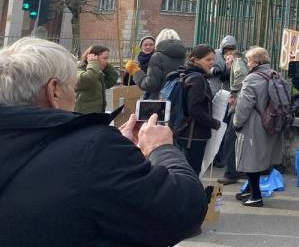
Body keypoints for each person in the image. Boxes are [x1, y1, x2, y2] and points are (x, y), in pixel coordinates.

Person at [0, 37, 207, 246]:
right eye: (73, 87)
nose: (74, 95)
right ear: (54, 90)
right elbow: (185, 210)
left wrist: (117, 151)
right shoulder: (94, 151)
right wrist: (161, 149)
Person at [232, 47, 285, 207]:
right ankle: (249, 190)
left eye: (249, 61)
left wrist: (237, 123)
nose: (247, 64)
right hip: (272, 123)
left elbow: (244, 105)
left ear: (256, 62)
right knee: (261, 159)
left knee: (250, 160)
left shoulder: (252, 79)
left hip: (254, 124)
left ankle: (255, 196)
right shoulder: (276, 75)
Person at [174, 44, 222, 174]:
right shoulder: (197, 79)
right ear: (195, 60)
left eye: (213, 59)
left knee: (184, 172)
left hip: (183, 131)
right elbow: (194, 109)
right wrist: (214, 123)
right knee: (192, 173)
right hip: (193, 135)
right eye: (208, 59)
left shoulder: (187, 74)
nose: (212, 63)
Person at [217, 43, 249, 184]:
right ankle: (239, 170)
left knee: (230, 139)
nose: (227, 63)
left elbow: (241, 76)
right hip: (245, 108)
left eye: (227, 60)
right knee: (238, 140)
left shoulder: (237, 61)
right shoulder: (244, 62)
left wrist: (234, 92)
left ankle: (231, 174)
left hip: (238, 108)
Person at [126, 28, 186, 99]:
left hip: (160, 100)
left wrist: (136, 72)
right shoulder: (184, 57)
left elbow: (151, 85)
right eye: (145, 45)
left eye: (151, 44)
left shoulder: (157, 57)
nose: (148, 47)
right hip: (178, 99)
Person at [74, 45, 119, 114]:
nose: (107, 61)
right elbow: (88, 79)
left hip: (96, 114)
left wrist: (106, 66)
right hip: (83, 115)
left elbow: (112, 79)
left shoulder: (95, 71)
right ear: (94, 58)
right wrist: (93, 62)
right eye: (105, 58)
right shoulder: (80, 69)